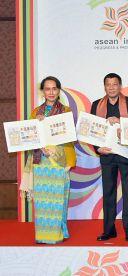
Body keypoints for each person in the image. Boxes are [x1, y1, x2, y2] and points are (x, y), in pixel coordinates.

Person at [19, 76, 76, 244]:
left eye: (54, 89)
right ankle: (42, 235)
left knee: (58, 199)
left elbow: (70, 137)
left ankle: (57, 234)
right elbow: (27, 136)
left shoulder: (65, 111)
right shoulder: (35, 112)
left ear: (59, 90)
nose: (51, 92)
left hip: (57, 160)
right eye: (47, 89)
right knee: (43, 201)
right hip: (41, 161)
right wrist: (36, 127)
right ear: (43, 91)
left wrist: (53, 148)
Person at [91, 73, 128, 242]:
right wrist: (97, 148)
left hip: (126, 155)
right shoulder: (97, 105)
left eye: (115, 84)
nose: (111, 87)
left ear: (120, 86)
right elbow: (92, 132)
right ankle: (109, 229)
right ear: (104, 86)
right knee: (109, 193)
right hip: (107, 155)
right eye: (108, 84)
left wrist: (120, 122)